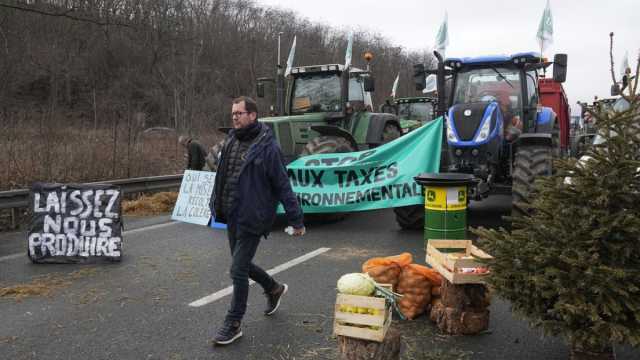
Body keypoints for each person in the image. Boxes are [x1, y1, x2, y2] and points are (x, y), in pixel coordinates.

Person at [208, 96, 305, 346]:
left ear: (252, 115)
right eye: (233, 114)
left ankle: (234, 322)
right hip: (231, 214)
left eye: (239, 113)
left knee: (237, 269)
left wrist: (296, 220)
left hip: (253, 217)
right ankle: (274, 288)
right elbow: (224, 176)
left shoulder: (268, 148)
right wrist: (215, 204)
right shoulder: (230, 140)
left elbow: (283, 185)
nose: (235, 117)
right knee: (243, 264)